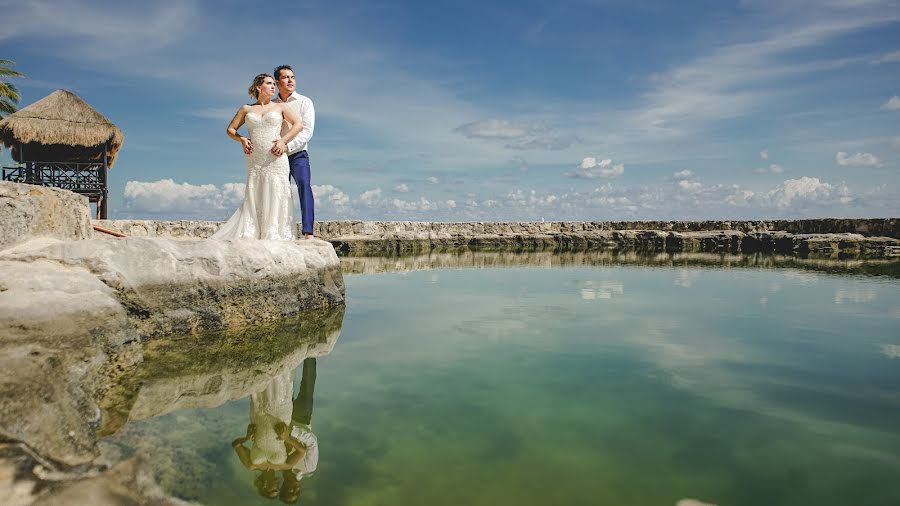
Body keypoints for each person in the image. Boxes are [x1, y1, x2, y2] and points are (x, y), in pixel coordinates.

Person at [211, 74, 304, 240]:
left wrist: (283, 141)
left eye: (273, 84)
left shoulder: (280, 107)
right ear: (258, 87)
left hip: (276, 157)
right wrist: (242, 139)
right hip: (254, 158)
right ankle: (252, 231)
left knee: (277, 190)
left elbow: (298, 124)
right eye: (269, 83)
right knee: (255, 190)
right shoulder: (246, 109)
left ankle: (275, 232)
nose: (273, 87)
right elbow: (230, 130)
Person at [272, 65, 316, 239]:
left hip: (298, 154)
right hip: (275, 155)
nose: (291, 81)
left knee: (304, 186)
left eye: (293, 77)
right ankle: (279, 231)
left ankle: (308, 232)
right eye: (285, 77)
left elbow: (307, 131)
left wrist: (287, 146)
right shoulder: (272, 104)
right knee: (277, 191)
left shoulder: (305, 102)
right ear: (277, 82)